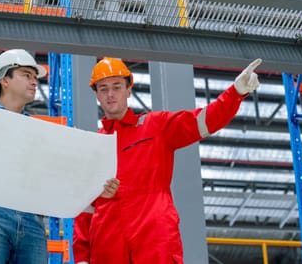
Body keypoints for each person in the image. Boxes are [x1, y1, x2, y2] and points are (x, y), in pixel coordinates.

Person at [73, 57, 262, 264]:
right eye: (103, 89)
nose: (110, 94)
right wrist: (82, 258)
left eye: (116, 87)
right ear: (96, 95)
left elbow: (203, 121)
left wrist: (236, 92)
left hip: (154, 238)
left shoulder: (156, 127)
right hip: (107, 247)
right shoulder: (94, 146)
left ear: (129, 89)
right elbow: (85, 208)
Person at [0, 49, 119, 264]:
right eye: (27, 75)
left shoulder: (39, 133)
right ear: (4, 80)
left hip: (32, 219)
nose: (34, 82)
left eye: (35, 77)